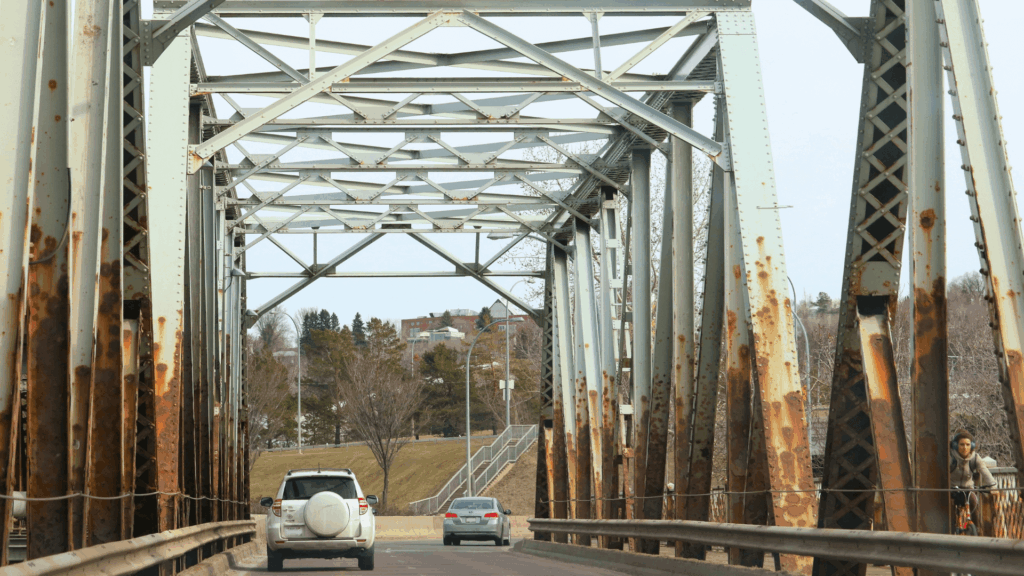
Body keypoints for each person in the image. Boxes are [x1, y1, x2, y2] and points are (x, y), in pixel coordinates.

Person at [949, 429, 996, 525]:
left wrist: (993, 486)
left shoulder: (975, 458)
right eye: (961, 444)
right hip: (952, 489)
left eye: (968, 444)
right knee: (949, 512)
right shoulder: (950, 458)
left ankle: (976, 530)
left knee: (974, 505)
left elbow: (984, 471)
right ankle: (951, 531)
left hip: (968, 489)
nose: (965, 447)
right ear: (955, 445)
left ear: (972, 446)